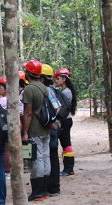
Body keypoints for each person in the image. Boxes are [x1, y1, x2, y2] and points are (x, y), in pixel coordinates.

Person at [21, 59, 53, 201]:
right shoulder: (43, 87)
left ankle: (37, 192)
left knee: (37, 159)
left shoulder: (29, 89)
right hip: (46, 129)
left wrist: (25, 132)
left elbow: (28, 113)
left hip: (35, 129)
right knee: (46, 157)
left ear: (28, 73)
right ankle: (45, 190)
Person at [40, 64, 62, 196]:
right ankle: (51, 186)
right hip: (53, 125)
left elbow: (56, 108)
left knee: (51, 156)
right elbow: (57, 107)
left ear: (42, 79)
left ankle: (53, 187)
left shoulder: (47, 91)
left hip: (51, 128)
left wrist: (47, 120)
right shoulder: (50, 90)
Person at [54, 68, 77, 177]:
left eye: (58, 79)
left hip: (65, 120)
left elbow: (63, 107)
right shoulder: (64, 91)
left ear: (64, 79)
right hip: (65, 120)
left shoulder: (66, 92)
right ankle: (67, 168)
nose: (56, 81)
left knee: (66, 143)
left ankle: (69, 169)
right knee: (65, 143)